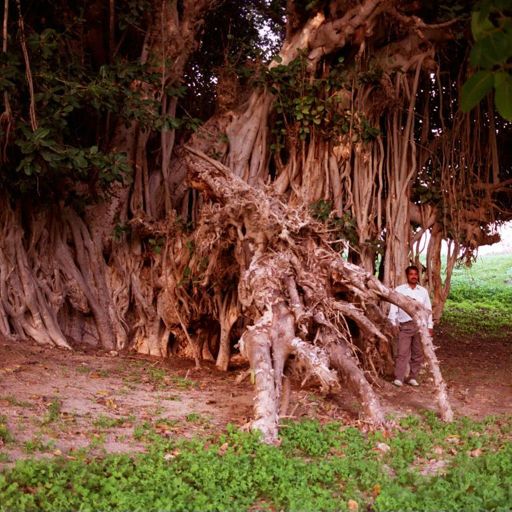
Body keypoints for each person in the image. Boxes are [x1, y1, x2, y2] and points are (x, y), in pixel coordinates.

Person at [388, 265, 433, 387]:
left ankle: (413, 377)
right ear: (407, 276)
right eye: (411, 274)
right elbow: (394, 307)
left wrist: (430, 326)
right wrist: (393, 322)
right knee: (402, 352)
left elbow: (428, 309)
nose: (414, 276)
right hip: (405, 326)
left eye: (415, 274)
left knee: (417, 353)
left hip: (420, 326)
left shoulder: (423, 291)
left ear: (418, 275)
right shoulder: (400, 290)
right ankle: (399, 378)